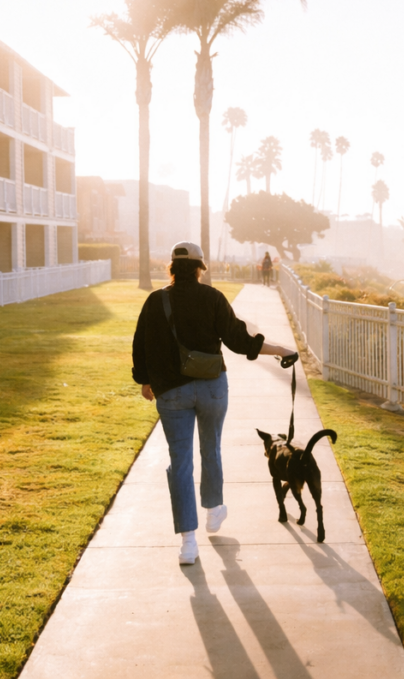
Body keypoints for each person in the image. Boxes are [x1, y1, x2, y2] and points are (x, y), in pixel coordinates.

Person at [132, 241, 295, 565]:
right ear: (199, 268)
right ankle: (214, 511)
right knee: (211, 450)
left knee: (179, 462)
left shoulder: (155, 301)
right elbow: (239, 341)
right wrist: (279, 349)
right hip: (211, 389)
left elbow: (140, 342)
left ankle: (187, 544)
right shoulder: (212, 298)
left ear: (171, 269)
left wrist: (145, 380)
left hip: (172, 393)